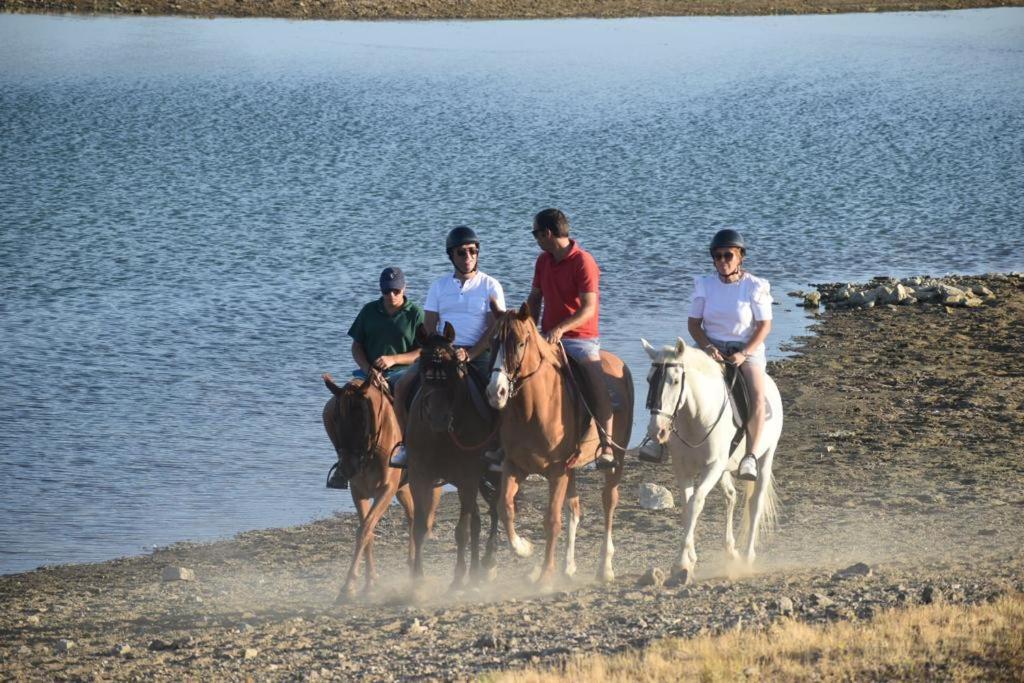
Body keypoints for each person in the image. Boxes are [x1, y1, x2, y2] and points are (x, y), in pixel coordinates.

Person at [389, 226, 506, 468]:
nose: (468, 258)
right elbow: (431, 325)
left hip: (479, 353)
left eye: (473, 252)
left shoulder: (490, 285)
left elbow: (494, 328)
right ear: (451, 256)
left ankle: (499, 447)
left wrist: (470, 353)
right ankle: (406, 445)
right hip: (443, 352)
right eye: (461, 253)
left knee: (497, 392)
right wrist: (439, 352)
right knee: (401, 387)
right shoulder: (439, 286)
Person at [527, 208, 615, 468]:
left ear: (548, 233)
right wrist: (528, 328)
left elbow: (588, 308)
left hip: (580, 338)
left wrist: (561, 329)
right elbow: (535, 298)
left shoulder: (583, 261)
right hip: (547, 337)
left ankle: (606, 443)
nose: (536, 240)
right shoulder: (543, 261)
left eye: (536, 234)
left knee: (595, 382)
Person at [687, 229, 773, 482]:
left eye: (728, 256)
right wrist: (707, 347)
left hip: (747, 349)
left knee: (757, 396)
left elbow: (764, 326)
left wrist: (745, 353)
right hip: (711, 346)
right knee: (674, 375)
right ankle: (658, 439)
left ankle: (751, 457)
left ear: (740, 257)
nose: (722, 261)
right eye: (717, 257)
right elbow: (694, 325)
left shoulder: (755, 286)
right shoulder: (705, 285)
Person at [348, 267, 425, 391]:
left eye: (396, 290)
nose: (391, 295)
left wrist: (394, 359)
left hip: (402, 372)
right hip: (368, 372)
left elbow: (422, 351)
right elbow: (356, 346)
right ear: (381, 289)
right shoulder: (369, 310)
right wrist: (368, 370)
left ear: (405, 287)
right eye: (386, 290)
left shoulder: (416, 314)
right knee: (348, 395)